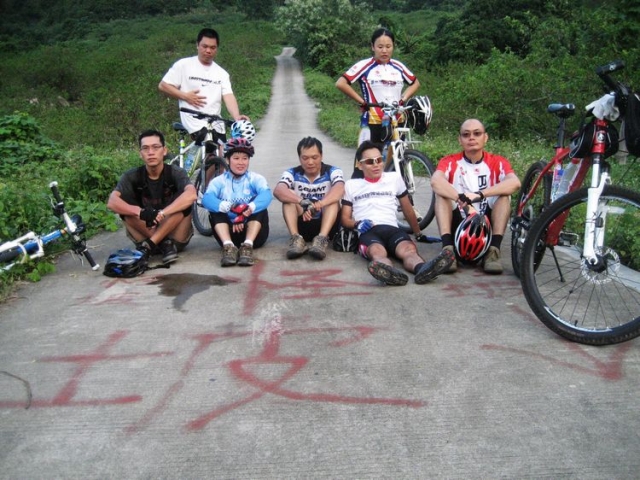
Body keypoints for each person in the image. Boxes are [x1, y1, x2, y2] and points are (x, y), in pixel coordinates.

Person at [341, 141, 454, 286]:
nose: (376, 165)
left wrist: (418, 233)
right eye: (370, 161)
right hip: (368, 231)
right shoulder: (351, 185)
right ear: (360, 165)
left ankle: (422, 269)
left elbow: (407, 209)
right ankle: (389, 273)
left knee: (409, 249)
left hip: (392, 229)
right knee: (377, 252)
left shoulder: (394, 178)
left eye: (379, 160)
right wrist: (357, 224)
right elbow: (345, 219)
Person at [430, 118, 521, 274]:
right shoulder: (449, 161)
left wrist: (480, 195)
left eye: (477, 133)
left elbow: (515, 183)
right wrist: (461, 199)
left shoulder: (498, 162)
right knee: (441, 195)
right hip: (459, 221)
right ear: (460, 140)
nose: (471, 138)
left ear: (485, 137)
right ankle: (448, 251)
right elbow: (435, 181)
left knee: (504, 196)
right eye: (466, 135)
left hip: (486, 223)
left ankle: (493, 252)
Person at [336, 28, 421, 178]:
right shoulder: (364, 65)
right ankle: (357, 190)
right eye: (380, 46)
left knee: (397, 162)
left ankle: (399, 190)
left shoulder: (398, 66)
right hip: (373, 121)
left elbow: (415, 83)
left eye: (388, 46)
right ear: (372, 46)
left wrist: (403, 99)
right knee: (364, 163)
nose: (384, 51)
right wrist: (362, 102)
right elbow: (341, 83)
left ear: (393, 46)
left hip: (397, 120)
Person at [107, 130, 197, 264]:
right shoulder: (131, 176)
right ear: (140, 153)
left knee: (183, 200)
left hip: (175, 238)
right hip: (146, 232)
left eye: (155, 147)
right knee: (123, 204)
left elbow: (192, 194)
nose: (150, 152)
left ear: (164, 151)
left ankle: (152, 243)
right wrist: (140, 212)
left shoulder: (176, 173)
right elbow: (112, 202)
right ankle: (163, 243)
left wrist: (162, 213)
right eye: (145, 148)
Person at [158, 28, 249, 142]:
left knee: (223, 151)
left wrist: (237, 117)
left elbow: (228, 96)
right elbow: (163, 85)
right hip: (193, 121)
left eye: (212, 47)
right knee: (206, 146)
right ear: (197, 45)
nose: (208, 51)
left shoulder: (222, 73)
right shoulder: (183, 65)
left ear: (217, 49)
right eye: (204, 46)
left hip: (216, 124)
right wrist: (185, 96)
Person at [202, 137, 272, 267]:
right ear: (227, 160)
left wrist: (248, 208)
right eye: (236, 158)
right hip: (229, 232)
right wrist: (228, 206)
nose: (241, 162)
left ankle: (247, 246)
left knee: (258, 204)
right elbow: (206, 199)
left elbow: (267, 195)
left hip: (255, 234)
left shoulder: (255, 178)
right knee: (215, 207)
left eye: (245, 158)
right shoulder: (219, 181)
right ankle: (228, 247)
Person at [273, 137, 345, 260]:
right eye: (305, 158)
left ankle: (321, 240)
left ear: (321, 156)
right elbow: (278, 190)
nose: (310, 162)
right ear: (299, 158)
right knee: (288, 197)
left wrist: (320, 204)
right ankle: (296, 239)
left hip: (327, 225)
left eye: (314, 157)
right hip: (303, 222)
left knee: (333, 200)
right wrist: (302, 202)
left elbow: (340, 189)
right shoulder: (291, 173)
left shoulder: (333, 171)